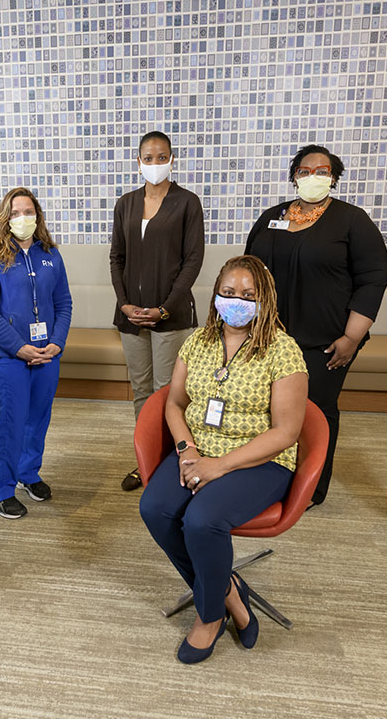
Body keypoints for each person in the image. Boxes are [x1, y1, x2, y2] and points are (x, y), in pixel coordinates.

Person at [139, 255, 308, 664]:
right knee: (156, 509)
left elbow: (286, 432)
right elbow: (175, 404)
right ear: (215, 295)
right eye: (228, 293)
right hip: (198, 451)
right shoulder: (197, 342)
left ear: (264, 299)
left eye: (248, 296)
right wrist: (187, 451)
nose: (237, 302)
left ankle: (210, 614)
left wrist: (222, 464)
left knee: (202, 521)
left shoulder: (282, 350)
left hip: (259, 460)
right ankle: (228, 589)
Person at [245, 144, 387, 507]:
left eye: (322, 171)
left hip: (325, 342)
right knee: (267, 409)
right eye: (305, 171)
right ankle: (268, 481)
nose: (313, 177)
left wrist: (352, 337)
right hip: (269, 338)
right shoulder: (271, 217)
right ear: (294, 176)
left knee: (314, 412)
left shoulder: (351, 220)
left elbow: (374, 278)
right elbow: (249, 270)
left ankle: (311, 487)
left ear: (334, 178)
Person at [111, 131, 205, 492]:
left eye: (160, 157)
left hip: (172, 316)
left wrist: (165, 308)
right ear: (138, 162)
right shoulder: (127, 203)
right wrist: (124, 304)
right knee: (141, 391)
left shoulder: (186, 202)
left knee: (168, 392)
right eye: (147, 158)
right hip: (130, 318)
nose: (154, 164)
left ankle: (173, 461)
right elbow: (116, 257)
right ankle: (144, 460)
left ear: (172, 159)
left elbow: (193, 260)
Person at [0, 187, 72, 519]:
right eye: (15, 212)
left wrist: (57, 341)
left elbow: (63, 303)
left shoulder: (51, 255)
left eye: (28, 211)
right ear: (5, 217)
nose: (22, 218)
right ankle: (0, 489)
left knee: (38, 419)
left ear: (38, 216)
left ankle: (28, 473)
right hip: (10, 357)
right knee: (13, 423)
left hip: (48, 354)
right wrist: (19, 347)